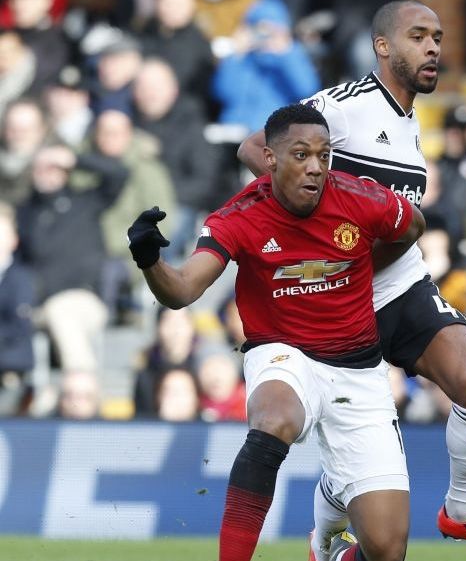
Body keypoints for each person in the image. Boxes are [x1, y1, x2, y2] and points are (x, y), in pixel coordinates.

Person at [236, 1, 466, 561]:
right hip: (338, 296)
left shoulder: (413, 120)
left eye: (438, 37)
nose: (432, 48)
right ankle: (328, 526)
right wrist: (317, 225)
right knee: (372, 503)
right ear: (382, 46)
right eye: (418, 36)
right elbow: (256, 148)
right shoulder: (345, 106)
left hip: (400, 281)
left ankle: (463, 510)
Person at [127, 104, 425, 561]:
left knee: (388, 551)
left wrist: (368, 268)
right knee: (274, 420)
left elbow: (413, 226)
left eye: (324, 156)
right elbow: (182, 290)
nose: (315, 168)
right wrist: (150, 261)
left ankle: (333, 528)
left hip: (359, 372)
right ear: (269, 159)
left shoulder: (360, 198)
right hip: (284, 353)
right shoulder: (240, 215)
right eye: (301, 154)